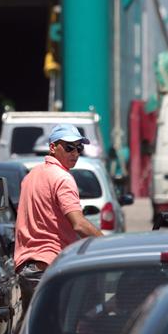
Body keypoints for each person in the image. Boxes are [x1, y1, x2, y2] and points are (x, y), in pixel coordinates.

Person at [14, 123, 103, 308]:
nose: (75, 153)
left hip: (27, 269)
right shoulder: (63, 178)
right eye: (69, 147)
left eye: (79, 148)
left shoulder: (31, 176)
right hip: (50, 268)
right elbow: (78, 224)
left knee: (32, 330)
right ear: (53, 147)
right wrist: (106, 242)